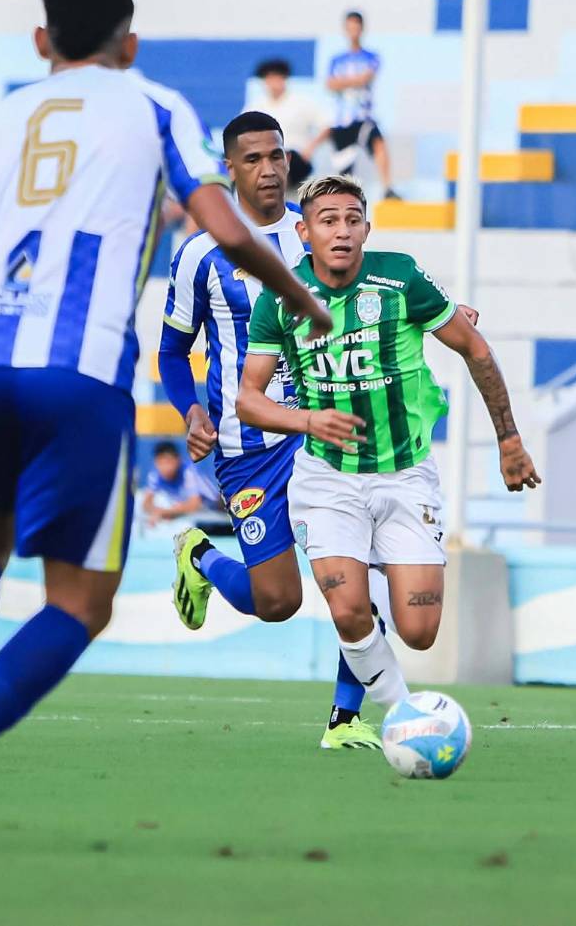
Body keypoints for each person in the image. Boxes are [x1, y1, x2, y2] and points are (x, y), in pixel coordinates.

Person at [0, 0, 329, 847]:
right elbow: (223, 226)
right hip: (80, 370)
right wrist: (300, 294)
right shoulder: (154, 106)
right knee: (81, 603)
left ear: (41, 41)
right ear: (129, 45)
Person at [237, 174, 541, 713]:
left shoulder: (400, 278)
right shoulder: (281, 299)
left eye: (352, 220)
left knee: (420, 630)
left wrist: (509, 438)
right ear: (305, 233)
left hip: (405, 473)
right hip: (327, 479)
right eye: (328, 221)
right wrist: (309, 420)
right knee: (347, 611)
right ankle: (404, 714)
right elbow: (248, 400)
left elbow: (474, 348)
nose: (342, 231)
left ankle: (374, 583)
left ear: (367, 229)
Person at [159, 110, 384, 749]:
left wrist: (441, 312)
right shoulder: (199, 253)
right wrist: (192, 413)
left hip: (325, 433)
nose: (268, 169)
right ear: (230, 168)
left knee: (357, 579)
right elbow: (173, 351)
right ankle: (199, 555)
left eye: (277, 155)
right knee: (277, 601)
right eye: (253, 158)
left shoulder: (315, 233)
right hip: (246, 446)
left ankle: (345, 718)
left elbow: (378, 295)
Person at [326, 11, 398, 199]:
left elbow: (365, 78)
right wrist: (354, 81)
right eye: (350, 27)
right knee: (344, 170)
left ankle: (387, 187)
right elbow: (330, 84)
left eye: (356, 27)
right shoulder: (337, 59)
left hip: (362, 117)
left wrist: (343, 82)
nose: (353, 31)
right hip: (342, 121)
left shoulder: (371, 56)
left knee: (378, 143)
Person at [246, 58, 328, 190]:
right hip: (267, 159)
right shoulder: (257, 105)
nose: (274, 83)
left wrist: (309, 149)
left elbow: (326, 125)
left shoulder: (301, 102)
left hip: (297, 159)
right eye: (269, 78)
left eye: (277, 77)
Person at [141, 440, 220, 528]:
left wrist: (164, 512)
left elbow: (194, 504)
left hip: (218, 506)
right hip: (199, 516)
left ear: (178, 460)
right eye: (161, 463)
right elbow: (146, 504)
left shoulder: (188, 471)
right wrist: (157, 511)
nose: (166, 468)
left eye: (169, 462)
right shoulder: (155, 475)